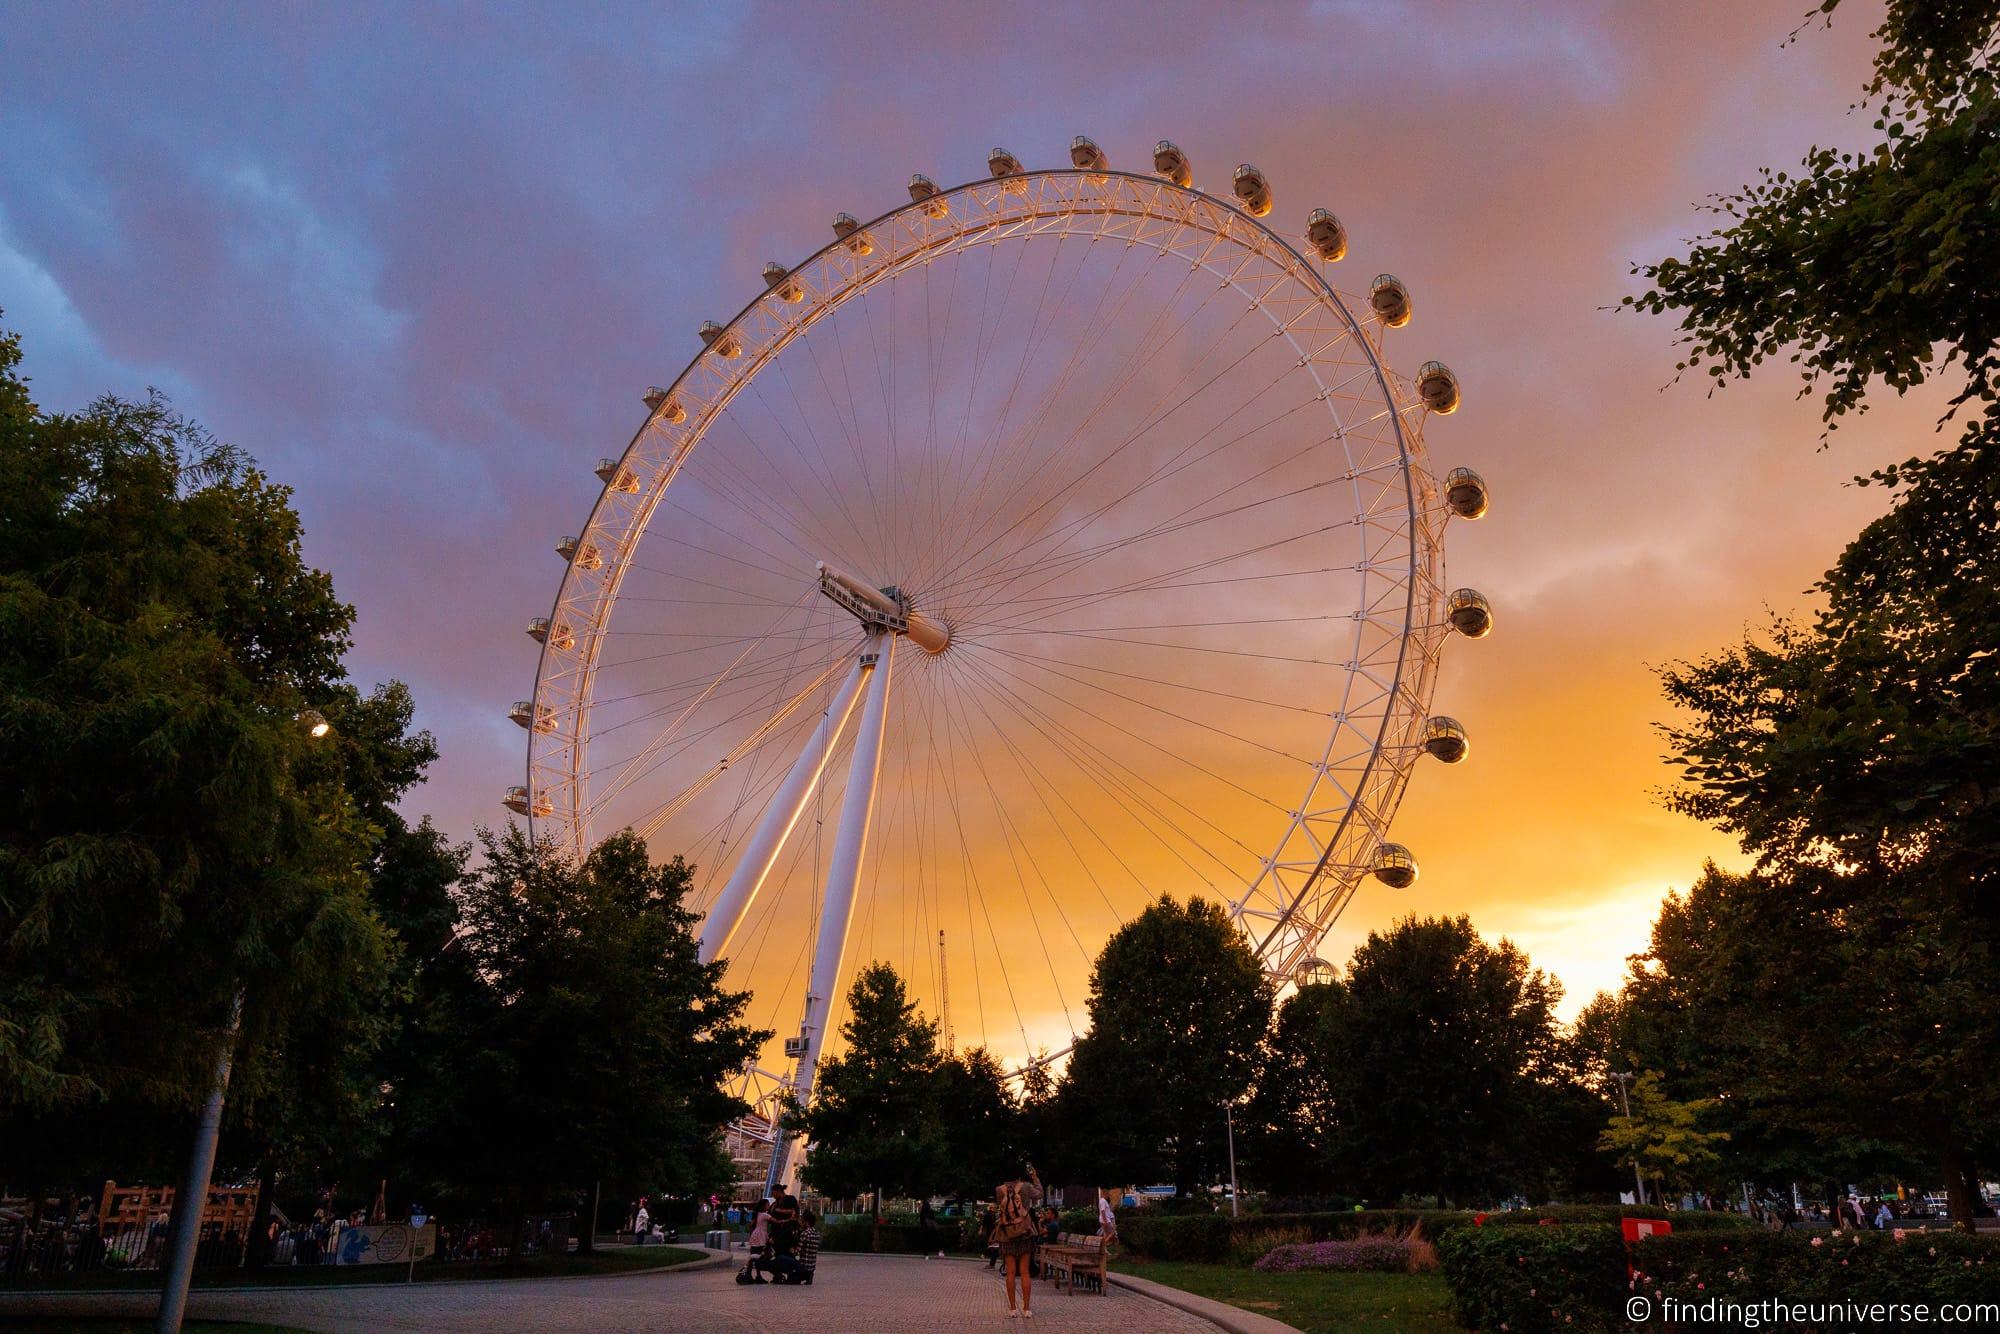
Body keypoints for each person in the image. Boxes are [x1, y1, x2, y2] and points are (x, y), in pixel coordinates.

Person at [993, 1165, 1043, 1319]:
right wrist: (1035, 1177)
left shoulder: (999, 1190)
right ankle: (1027, 1309)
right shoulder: (1026, 1187)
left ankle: (1013, 1308)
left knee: (1011, 1272)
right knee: (1025, 1271)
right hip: (1024, 1233)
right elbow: (1039, 1194)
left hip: (1007, 1234)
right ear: (1019, 1176)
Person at [771, 1210, 821, 1285]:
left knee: (780, 1258)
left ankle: (802, 1275)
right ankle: (807, 1275)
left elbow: (796, 1252)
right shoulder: (816, 1234)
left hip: (803, 1266)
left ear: (806, 1222)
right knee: (792, 1279)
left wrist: (791, 1250)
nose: (801, 1223)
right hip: (811, 1267)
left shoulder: (805, 1233)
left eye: (802, 1221)